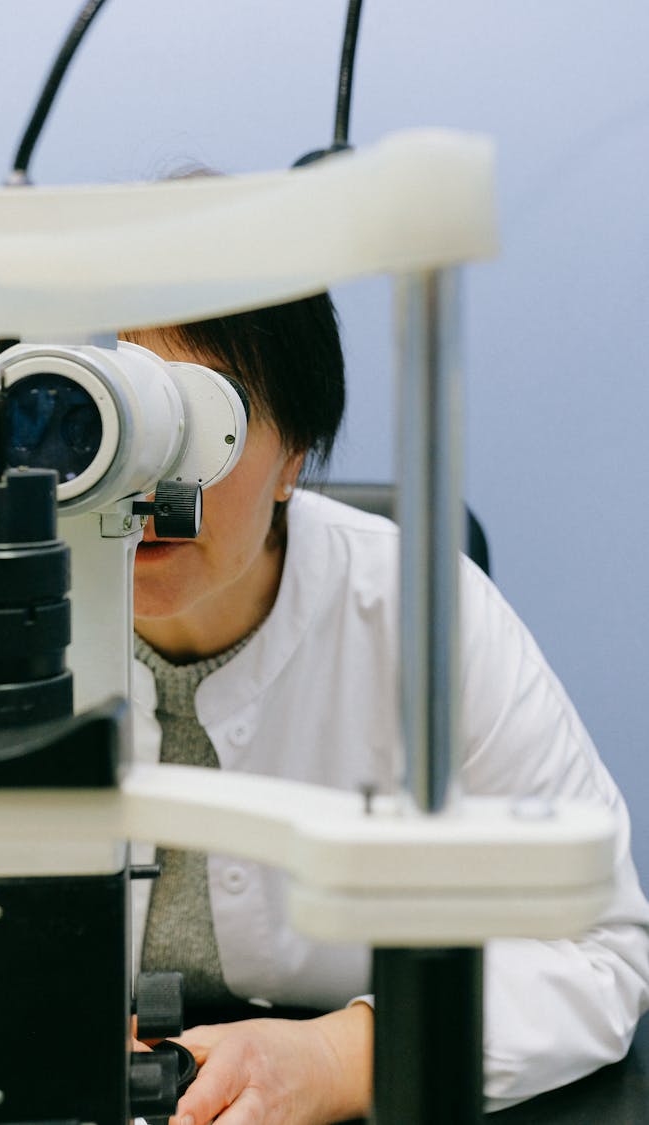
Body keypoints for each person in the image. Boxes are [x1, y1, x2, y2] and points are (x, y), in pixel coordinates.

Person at [117, 295, 649, 1124]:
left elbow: (600, 949)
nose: (150, 478)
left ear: (293, 457)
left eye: (199, 419)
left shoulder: (422, 606)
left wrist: (342, 1058)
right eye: (121, 412)